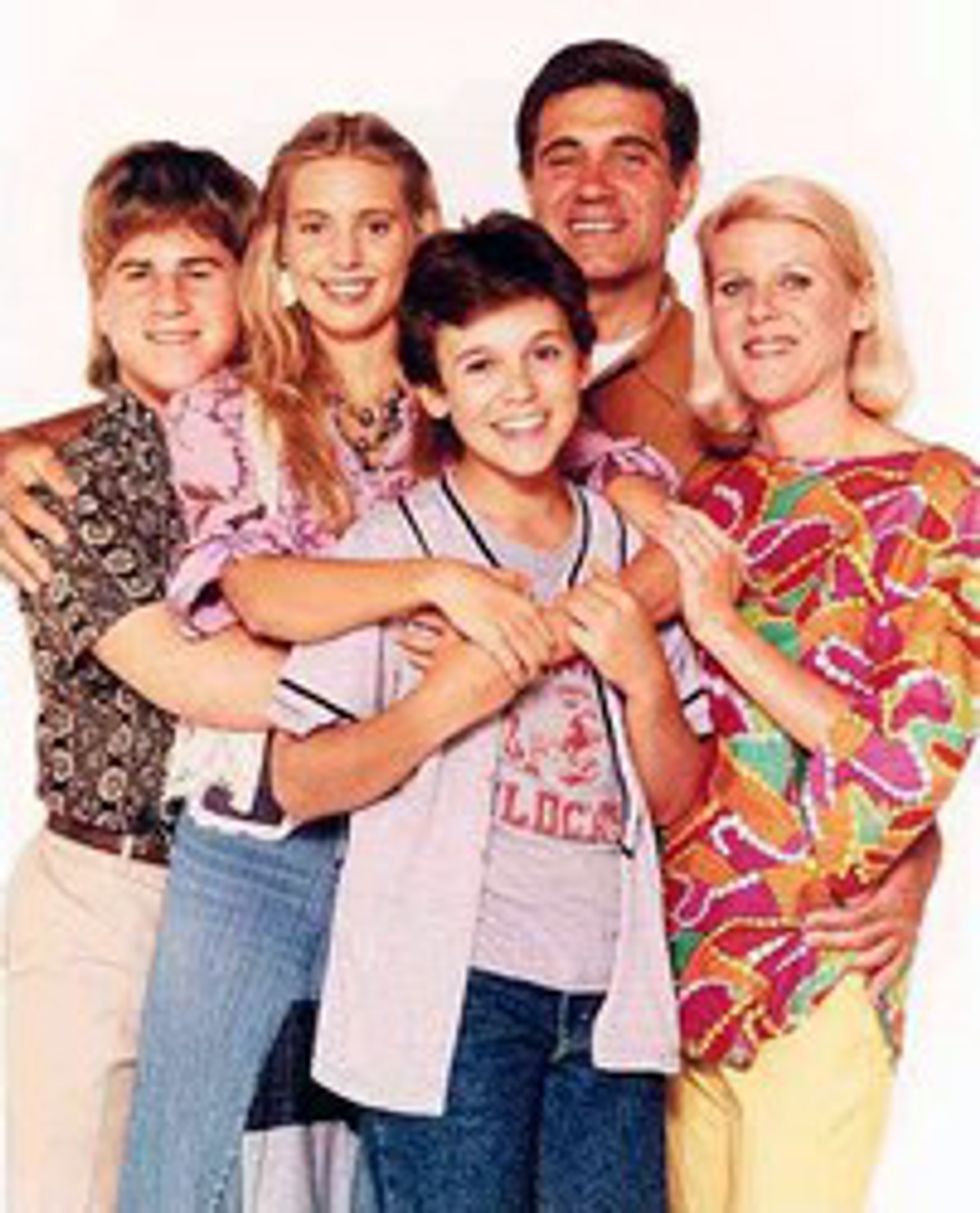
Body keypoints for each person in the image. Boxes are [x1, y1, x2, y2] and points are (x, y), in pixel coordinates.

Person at [117, 112, 674, 1213]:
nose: (345, 253)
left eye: (375, 224)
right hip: (270, 834)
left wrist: (554, 633)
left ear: (420, 232)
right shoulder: (231, 406)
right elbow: (255, 588)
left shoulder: (489, 387)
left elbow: (660, 528)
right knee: (192, 1162)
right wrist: (438, 585)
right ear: (275, 249)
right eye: (313, 226)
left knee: (384, 1171)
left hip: (447, 853)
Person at [267, 210, 712, 1213]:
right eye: (479, 365)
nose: (519, 390)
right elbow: (297, 778)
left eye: (543, 353)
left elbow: (677, 795)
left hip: (609, 1002)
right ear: (430, 391)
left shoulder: (624, 552)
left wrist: (644, 676)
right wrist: (437, 706)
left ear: (582, 360)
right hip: (456, 999)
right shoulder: (394, 548)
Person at [516, 35, 941, 1004]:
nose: (592, 186)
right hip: (479, 863)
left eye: (629, 156)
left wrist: (913, 845)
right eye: (562, 157)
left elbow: (837, 657)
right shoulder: (453, 347)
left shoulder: (748, 384)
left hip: (688, 895)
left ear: (683, 188)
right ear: (528, 183)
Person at [654, 175, 979, 1213]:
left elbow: (901, 766)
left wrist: (723, 626)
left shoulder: (937, 497)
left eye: (794, 280)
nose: (761, 311)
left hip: (813, 971)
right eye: (733, 286)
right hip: (671, 974)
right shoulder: (710, 497)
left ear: (860, 299)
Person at [2, 140, 288, 1213]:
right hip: (110, 893)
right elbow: (196, 677)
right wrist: (427, 660)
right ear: (99, 301)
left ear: (250, 286)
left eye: (199, 268)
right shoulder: (59, 478)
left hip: (263, 894)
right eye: (137, 272)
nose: (169, 300)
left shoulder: (293, 458)